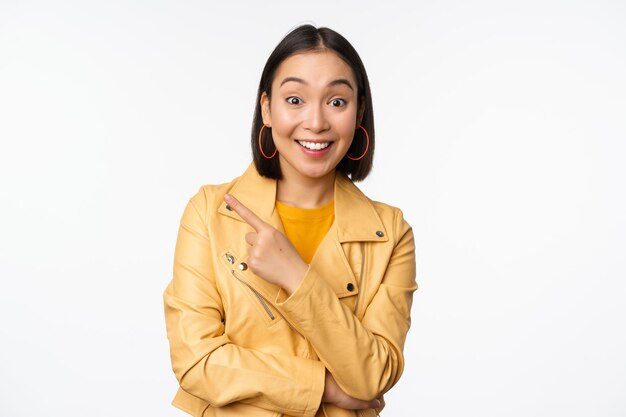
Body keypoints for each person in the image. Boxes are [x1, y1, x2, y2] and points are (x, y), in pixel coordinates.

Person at [163, 24, 418, 417]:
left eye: (336, 102)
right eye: (295, 99)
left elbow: (373, 376)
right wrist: (326, 388)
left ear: (359, 111)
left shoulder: (390, 234)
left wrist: (296, 275)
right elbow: (197, 362)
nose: (315, 122)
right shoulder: (209, 213)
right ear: (267, 108)